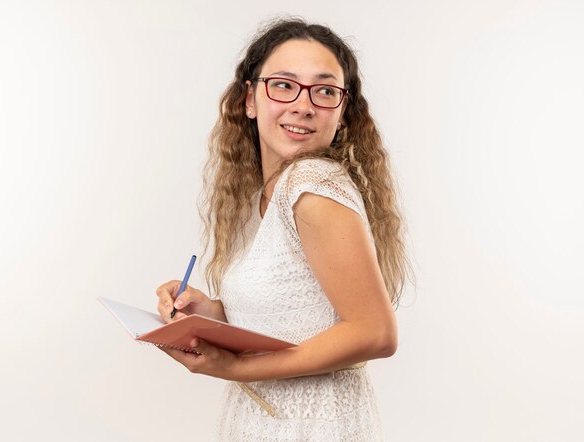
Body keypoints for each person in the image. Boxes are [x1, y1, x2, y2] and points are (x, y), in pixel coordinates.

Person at [155, 18, 411, 441]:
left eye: (325, 90)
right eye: (284, 85)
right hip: (266, 419)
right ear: (250, 99)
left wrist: (235, 367)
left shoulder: (311, 185)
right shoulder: (265, 192)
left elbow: (375, 333)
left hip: (310, 426)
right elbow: (292, 316)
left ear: (342, 112)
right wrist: (208, 313)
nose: (303, 105)